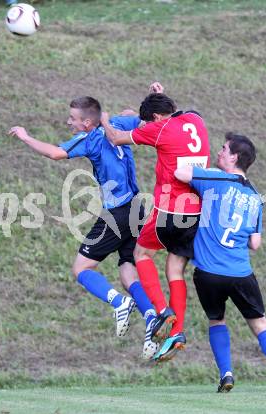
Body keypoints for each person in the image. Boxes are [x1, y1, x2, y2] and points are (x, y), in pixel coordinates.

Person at [8, 96, 158, 359]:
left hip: (117, 214)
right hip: (138, 208)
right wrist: (143, 99)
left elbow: (55, 153)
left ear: (88, 122)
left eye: (73, 119)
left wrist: (25, 136)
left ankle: (119, 303)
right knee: (127, 271)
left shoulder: (90, 138)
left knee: (81, 268)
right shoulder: (116, 122)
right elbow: (138, 116)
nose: (69, 122)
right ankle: (151, 319)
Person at [174, 132, 266, 392]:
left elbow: (180, 173)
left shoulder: (215, 178)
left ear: (234, 157)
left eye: (223, 149)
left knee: (217, 321)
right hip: (240, 272)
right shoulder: (254, 196)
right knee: (260, 324)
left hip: (208, 272)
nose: (218, 153)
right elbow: (255, 243)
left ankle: (226, 375)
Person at [100, 84, 210, 361]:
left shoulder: (159, 128)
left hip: (169, 210)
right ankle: (178, 333)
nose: (146, 126)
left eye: (149, 121)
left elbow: (114, 137)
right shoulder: (196, 120)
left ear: (157, 118)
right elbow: (176, 115)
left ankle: (162, 311)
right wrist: (159, 95)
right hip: (196, 211)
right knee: (175, 270)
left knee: (142, 254)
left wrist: (102, 117)